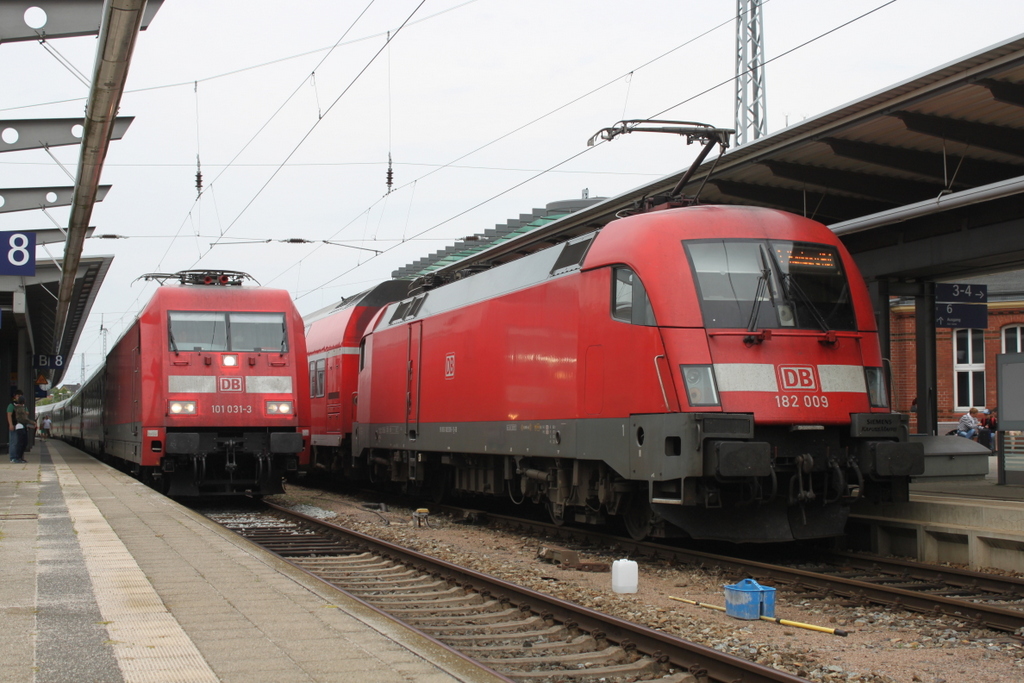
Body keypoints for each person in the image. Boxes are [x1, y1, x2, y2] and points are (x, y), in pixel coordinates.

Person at [11, 396, 35, 463]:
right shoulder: (20, 408)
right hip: (20, 426)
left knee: (23, 443)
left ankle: (20, 457)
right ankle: (18, 458)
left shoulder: (20, 407)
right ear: (23, 401)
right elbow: (24, 419)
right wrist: (33, 422)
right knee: (22, 443)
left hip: (22, 426)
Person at [7, 389, 25, 463]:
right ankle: (13, 458)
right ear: (15, 397)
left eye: (20, 396)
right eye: (18, 396)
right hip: (14, 425)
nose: (19, 397)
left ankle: (19, 457)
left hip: (21, 426)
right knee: (14, 442)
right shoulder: (11, 405)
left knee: (20, 442)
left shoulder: (23, 405)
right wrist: (11, 424)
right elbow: (9, 415)